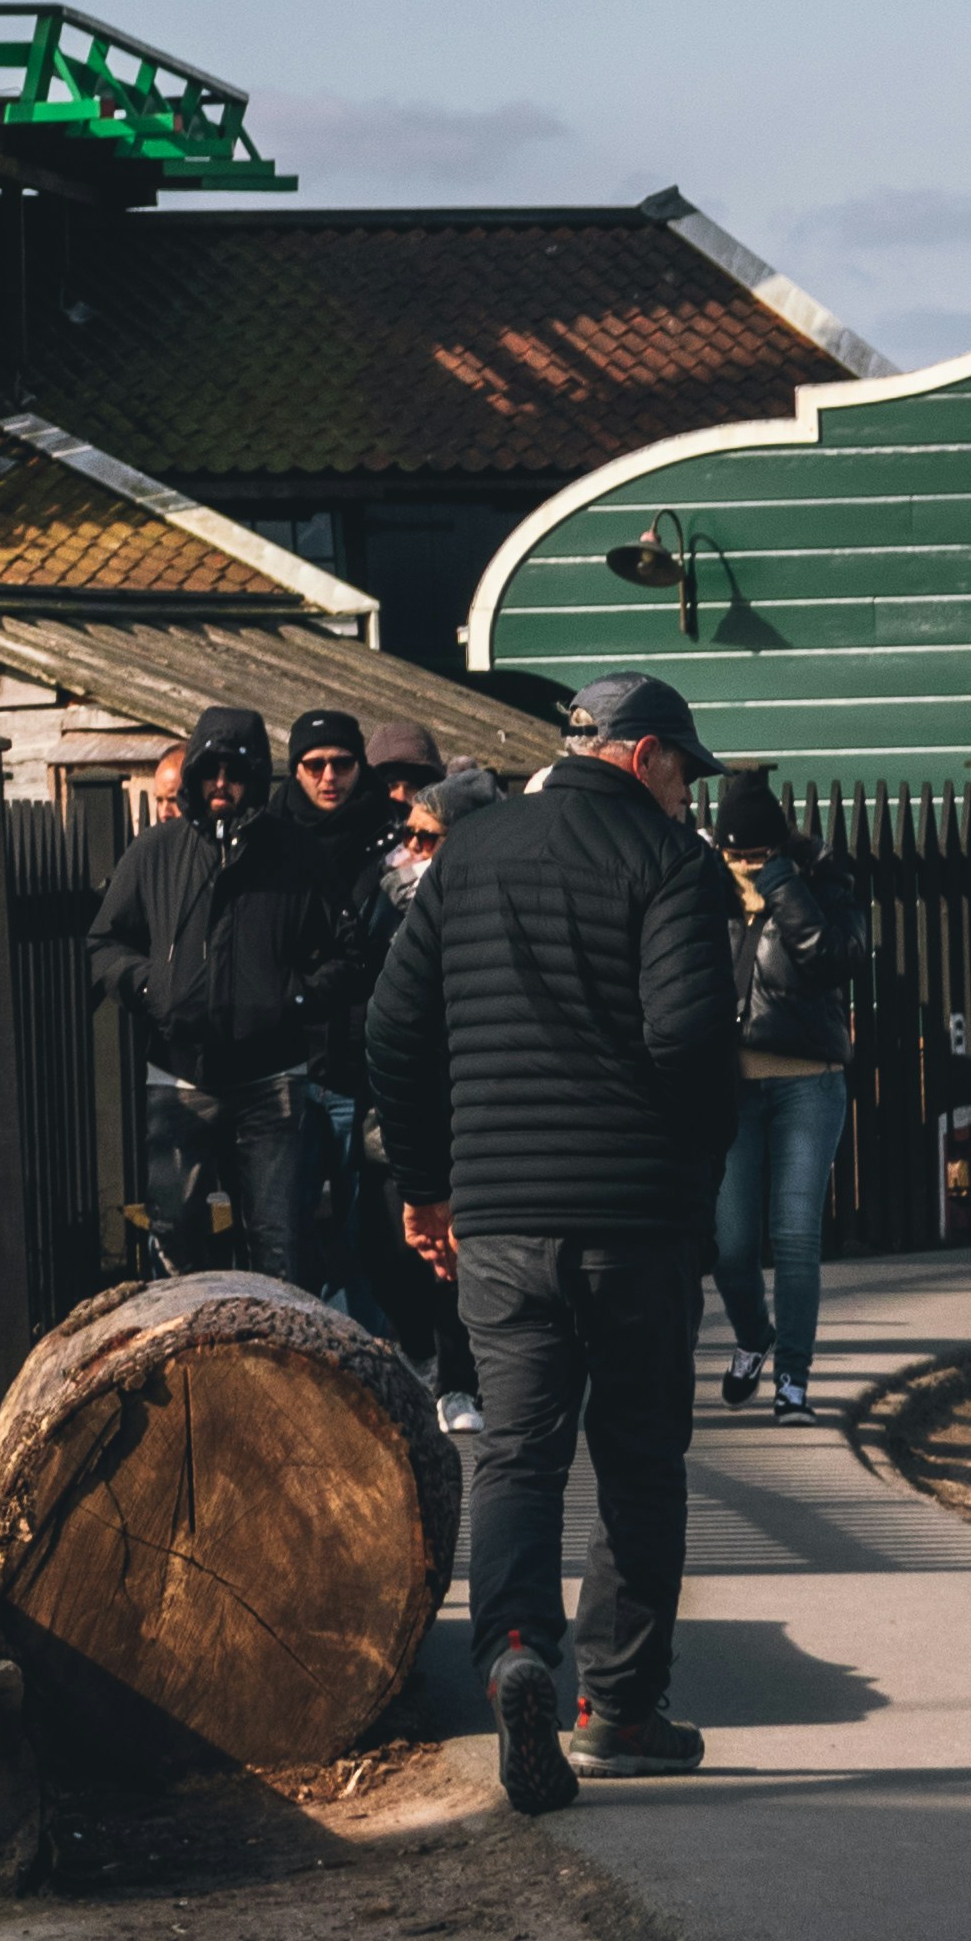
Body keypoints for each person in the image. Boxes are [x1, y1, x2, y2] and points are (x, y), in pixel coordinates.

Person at [361, 667, 737, 1812]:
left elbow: (391, 1030)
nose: (689, 795)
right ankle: (619, 1710)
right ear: (642, 756)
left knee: (518, 1451)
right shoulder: (670, 864)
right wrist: (690, 1183)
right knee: (634, 1457)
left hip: (503, 1222)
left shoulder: (469, 852)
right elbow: (686, 1043)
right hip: (633, 1224)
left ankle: (515, 1650)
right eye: (684, 771)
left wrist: (425, 1189)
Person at [89, 702, 375, 1286]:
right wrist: (150, 987)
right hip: (178, 1076)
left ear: (256, 778)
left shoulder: (297, 855)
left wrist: (292, 1001)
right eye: (210, 770)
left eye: (236, 771)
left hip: (273, 1080)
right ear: (193, 774)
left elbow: (350, 955)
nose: (222, 784)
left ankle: (279, 1371)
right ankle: (178, 1361)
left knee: (279, 1241)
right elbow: (104, 943)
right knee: (175, 1237)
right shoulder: (156, 852)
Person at [706, 764, 860, 1419]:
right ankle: (754, 1339)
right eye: (735, 854)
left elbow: (834, 959)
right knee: (730, 1247)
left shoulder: (822, 879)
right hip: (732, 1090)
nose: (745, 865)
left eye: (758, 854)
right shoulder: (703, 887)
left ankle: (792, 1381)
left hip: (807, 1083)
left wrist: (784, 886)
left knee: (796, 1235)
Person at [348, 762, 498, 1424]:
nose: (411, 851)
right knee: (387, 1252)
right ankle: (421, 1354)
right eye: (410, 835)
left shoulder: (493, 908)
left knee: (455, 1257)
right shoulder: (386, 897)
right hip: (397, 1110)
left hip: (469, 1105)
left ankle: (458, 1381)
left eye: (428, 838)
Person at [286, 707, 388, 1283]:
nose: (329, 777)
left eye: (343, 763)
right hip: (291, 1061)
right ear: (295, 769)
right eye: (314, 764)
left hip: (363, 1062)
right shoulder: (274, 838)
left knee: (363, 1230)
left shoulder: (389, 839)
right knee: (289, 1223)